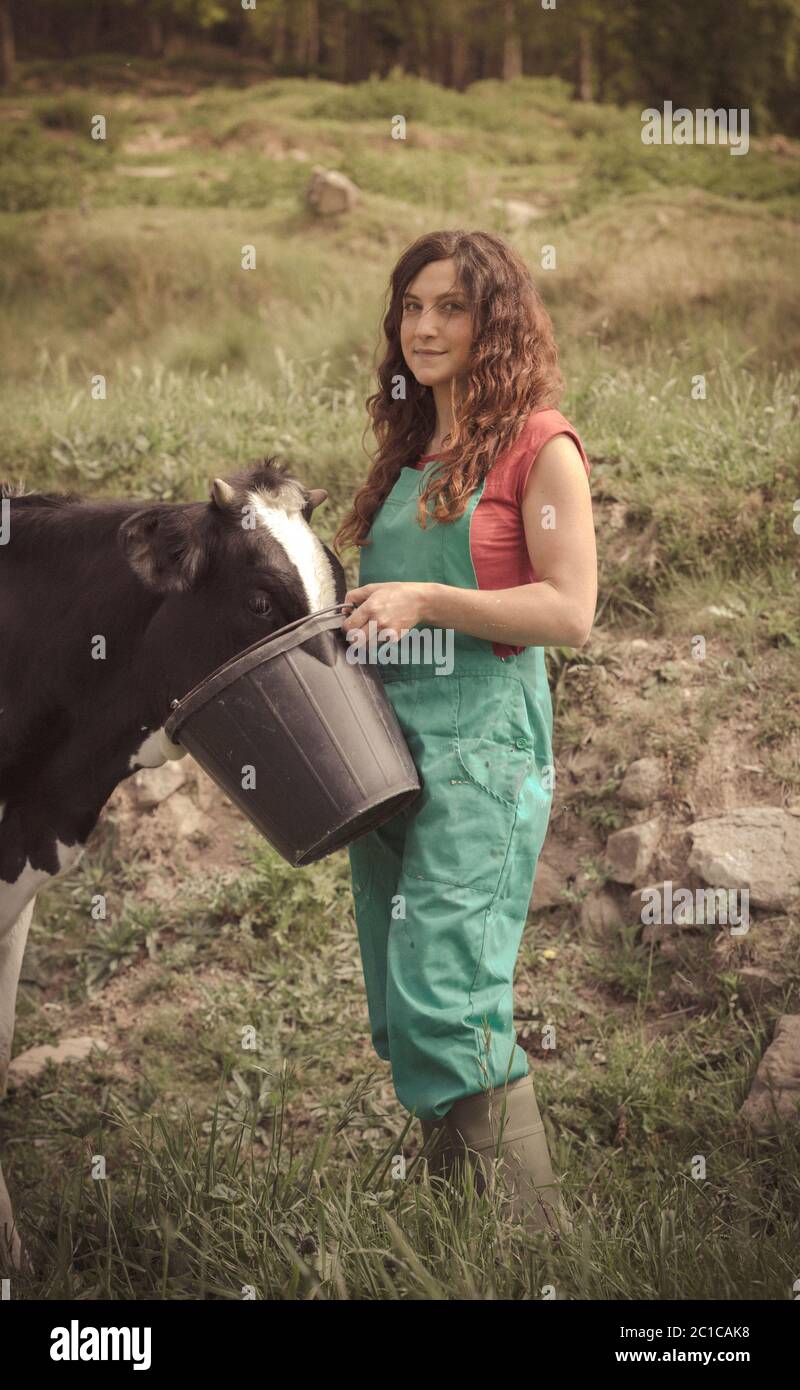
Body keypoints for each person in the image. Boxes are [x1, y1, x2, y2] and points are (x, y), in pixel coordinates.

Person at [331, 229, 597, 1236]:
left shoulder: (540, 443)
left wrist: (429, 599)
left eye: (450, 306)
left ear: (493, 322)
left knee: (450, 994)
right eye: (411, 306)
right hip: (382, 762)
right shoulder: (408, 450)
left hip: (481, 758)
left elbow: (568, 612)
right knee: (404, 1006)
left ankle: (537, 1244)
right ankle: (461, 1236)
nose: (425, 326)